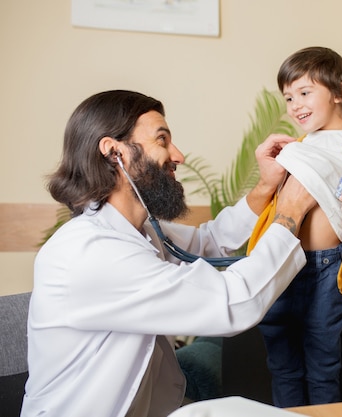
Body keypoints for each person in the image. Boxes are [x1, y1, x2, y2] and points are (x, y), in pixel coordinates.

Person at [20, 90, 316, 417]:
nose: (178, 155)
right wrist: (289, 214)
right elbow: (233, 302)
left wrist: (265, 187)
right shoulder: (90, 252)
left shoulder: (137, 232)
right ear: (113, 151)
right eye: (162, 140)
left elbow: (209, 242)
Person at [246, 47, 342, 407]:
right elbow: (270, 208)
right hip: (281, 264)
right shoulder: (294, 150)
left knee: (323, 363)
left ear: (340, 92)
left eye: (304, 92)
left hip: (331, 269)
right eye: (288, 97)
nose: (294, 105)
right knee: (282, 363)